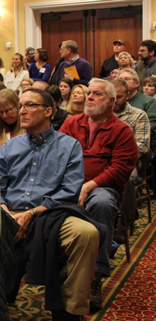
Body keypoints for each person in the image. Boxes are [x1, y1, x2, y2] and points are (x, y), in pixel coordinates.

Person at [0, 88, 101, 319]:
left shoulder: (69, 146)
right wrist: (5, 212)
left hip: (51, 212)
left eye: (30, 105)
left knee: (87, 233)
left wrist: (32, 213)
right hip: (9, 211)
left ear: (48, 111)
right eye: (20, 105)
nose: (22, 110)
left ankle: (72, 310)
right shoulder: (9, 147)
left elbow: (70, 190)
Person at [59, 78, 138, 273]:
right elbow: (56, 154)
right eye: (89, 93)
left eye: (97, 94)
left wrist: (88, 186)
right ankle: (55, 261)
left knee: (101, 203)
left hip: (101, 188)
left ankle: (96, 270)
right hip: (69, 183)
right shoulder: (71, 123)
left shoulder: (122, 131)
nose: (90, 97)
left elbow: (119, 170)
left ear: (111, 101)